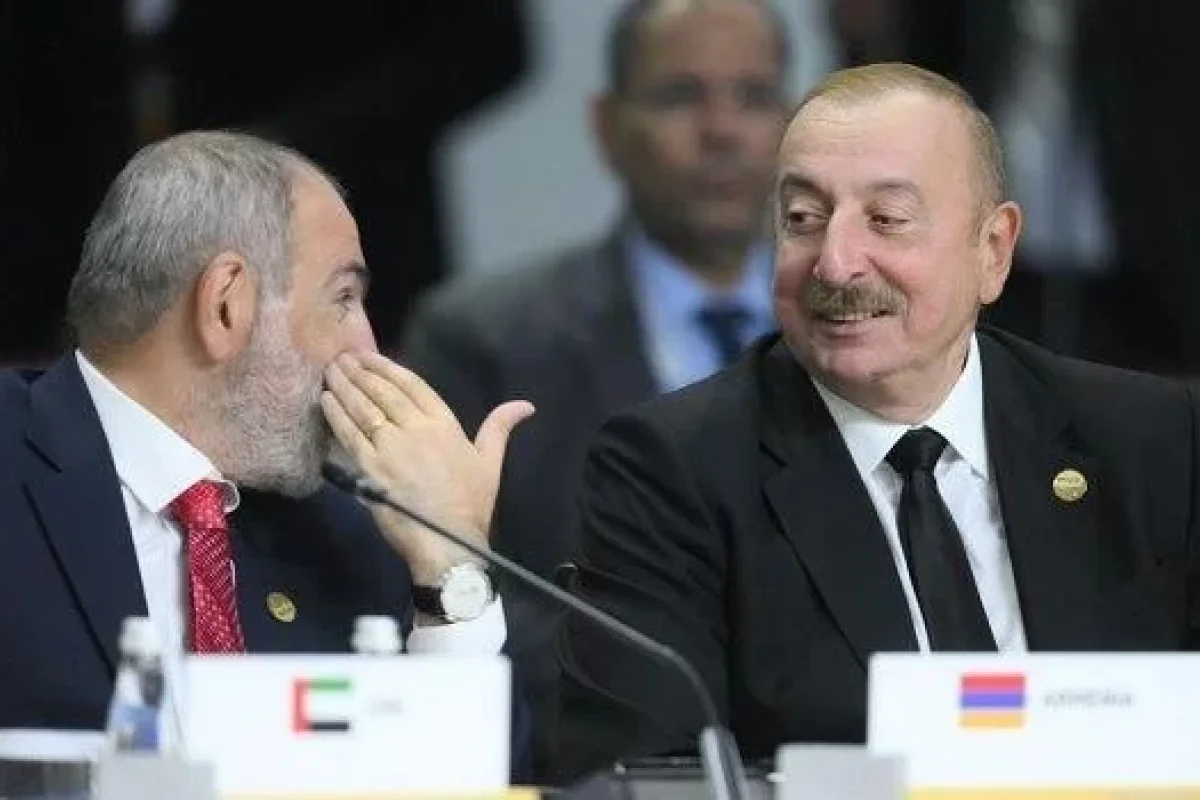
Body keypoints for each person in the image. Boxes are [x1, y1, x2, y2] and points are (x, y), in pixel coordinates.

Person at [555, 63, 1200, 779]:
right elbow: (646, 776)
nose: (835, 264)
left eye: (886, 220)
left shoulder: (1149, 440)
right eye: (803, 220)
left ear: (993, 250)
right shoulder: (673, 471)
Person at [0, 130, 534, 777]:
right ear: (226, 304)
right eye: (343, 299)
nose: (368, 349)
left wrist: (451, 561)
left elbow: (472, 785)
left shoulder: (353, 537)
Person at [398, 0, 788, 773]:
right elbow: (456, 584)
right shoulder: (483, 341)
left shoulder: (865, 329)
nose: (722, 130)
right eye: (680, 95)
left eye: (753, 96)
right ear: (608, 127)